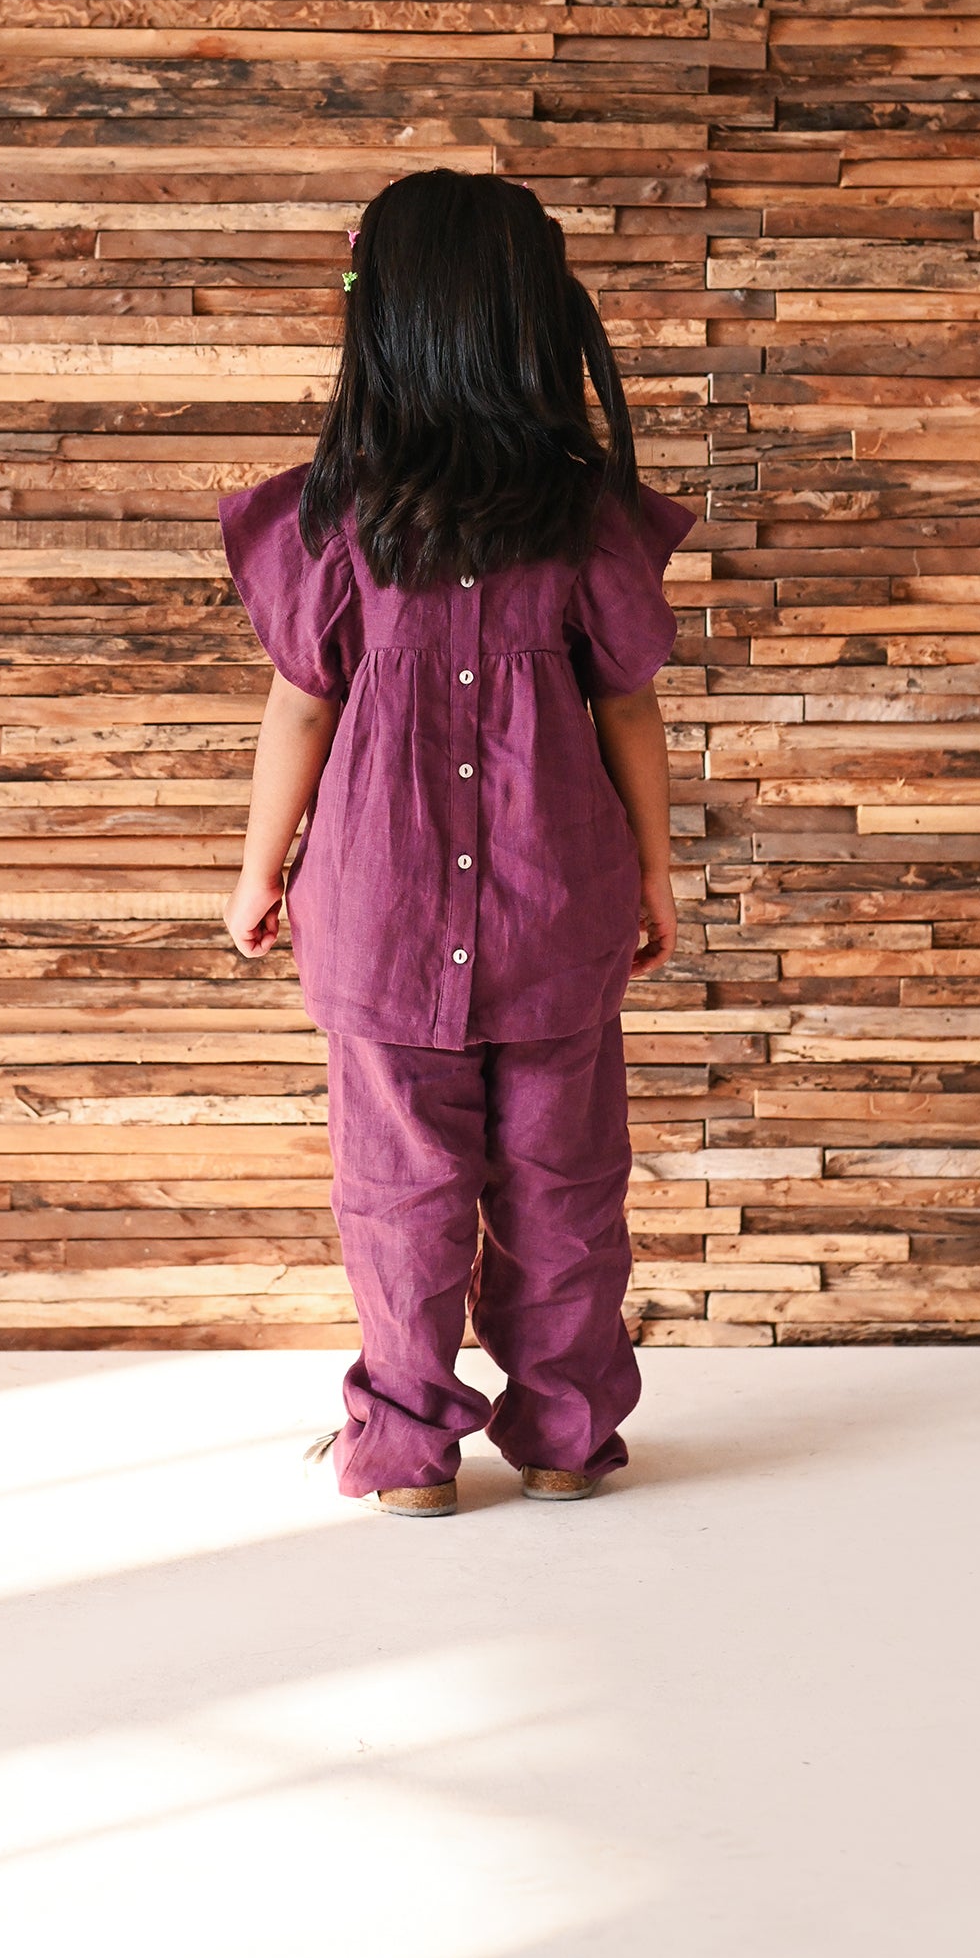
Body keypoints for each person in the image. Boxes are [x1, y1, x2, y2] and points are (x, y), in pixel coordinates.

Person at [219, 168, 695, 1517]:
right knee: (566, 1186)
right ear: (531, 319)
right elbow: (630, 707)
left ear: (386, 320)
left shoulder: (337, 515)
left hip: (380, 910)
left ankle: (408, 1453)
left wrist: (260, 870)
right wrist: (655, 873)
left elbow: (301, 706)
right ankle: (562, 1439)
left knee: (397, 1194)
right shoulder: (586, 512)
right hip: (559, 904)